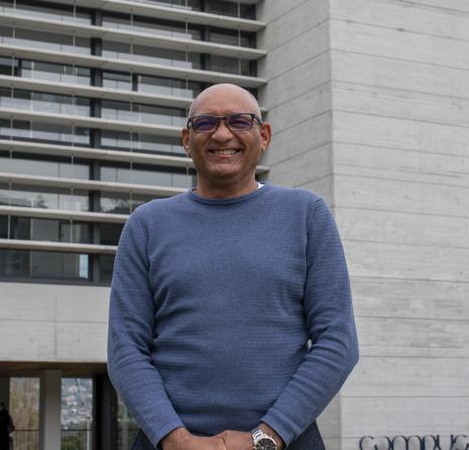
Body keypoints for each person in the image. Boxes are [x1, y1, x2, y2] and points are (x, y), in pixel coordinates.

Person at [107, 84, 359, 450]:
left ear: (264, 135)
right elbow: (126, 347)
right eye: (205, 123)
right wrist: (175, 439)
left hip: (285, 441)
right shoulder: (147, 224)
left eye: (240, 121)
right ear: (186, 139)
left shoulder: (306, 214)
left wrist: (265, 437)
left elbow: (338, 342)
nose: (222, 134)